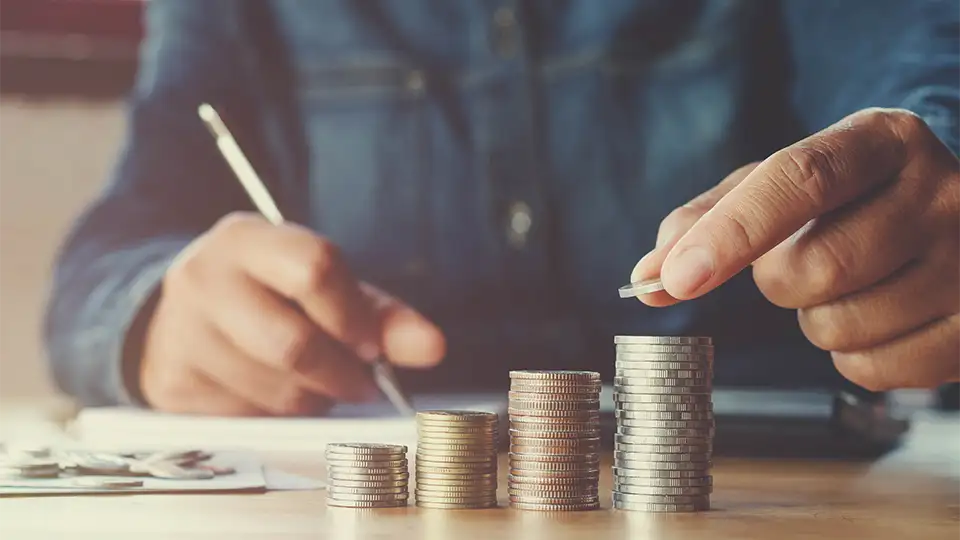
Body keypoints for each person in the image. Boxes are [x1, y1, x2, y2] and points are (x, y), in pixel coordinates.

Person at [43, 1, 960, 416]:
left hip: (788, 493)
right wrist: (157, 314)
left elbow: (922, 94)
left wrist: (931, 193)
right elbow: (107, 258)